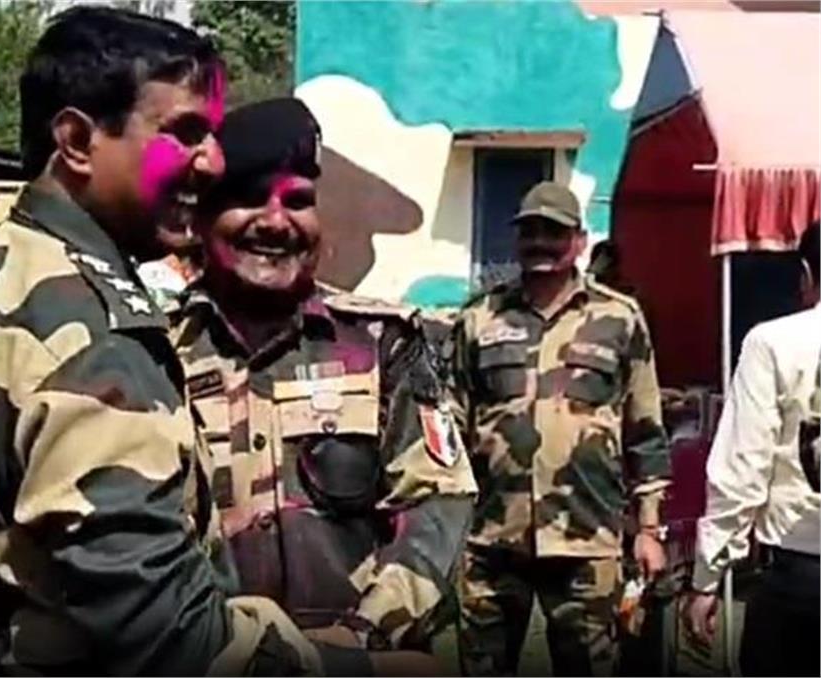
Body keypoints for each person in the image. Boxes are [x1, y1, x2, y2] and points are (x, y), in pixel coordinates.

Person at [0, 8, 355, 675]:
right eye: (186, 133)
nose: (214, 162)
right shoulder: (91, 332)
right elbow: (161, 632)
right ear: (77, 141)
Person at [169, 97, 478, 666]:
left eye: (298, 201)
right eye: (249, 198)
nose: (275, 221)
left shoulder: (383, 343)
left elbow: (439, 501)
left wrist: (359, 636)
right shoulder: (154, 351)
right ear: (203, 217)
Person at [448, 181, 672, 676]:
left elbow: (646, 428)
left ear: (579, 240)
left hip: (587, 535)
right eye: (530, 232)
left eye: (554, 232)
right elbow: (452, 429)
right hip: (492, 539)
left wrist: (649, 530)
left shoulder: (619, 317)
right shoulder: (479, 318)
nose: (541, 243)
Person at [685, 221, 820, 677]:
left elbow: (743, 469)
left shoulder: (774, 343)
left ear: (806, 275)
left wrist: (707, 577)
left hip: (801, 573)